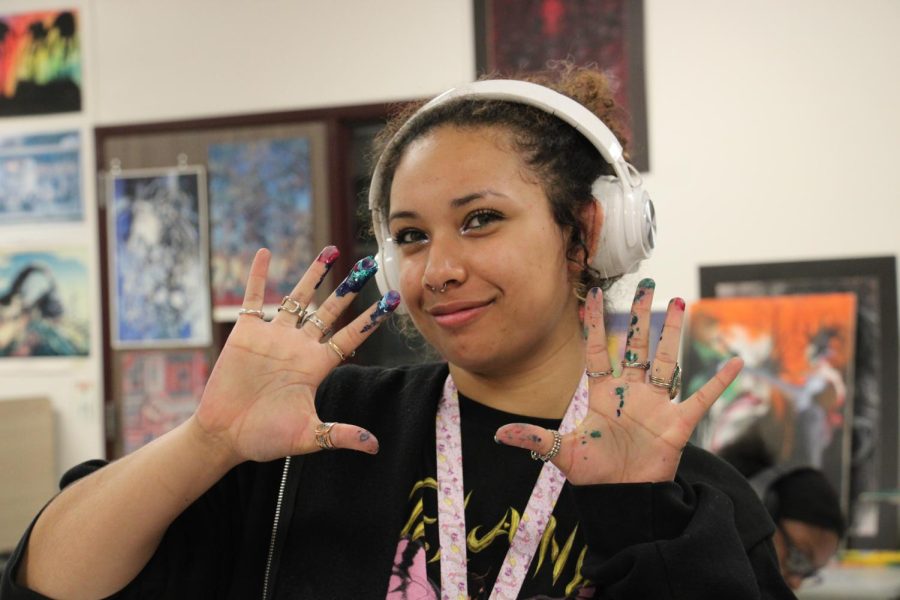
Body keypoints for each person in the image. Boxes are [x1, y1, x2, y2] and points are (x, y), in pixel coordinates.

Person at [1, 63, 795, 599]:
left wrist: (639, 511)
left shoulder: (690, 496)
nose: (437, 268)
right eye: (411, 237)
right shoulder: (316, 433)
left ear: (587, 232)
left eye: (480, 220)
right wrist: (209, 439)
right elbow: (46, 579)